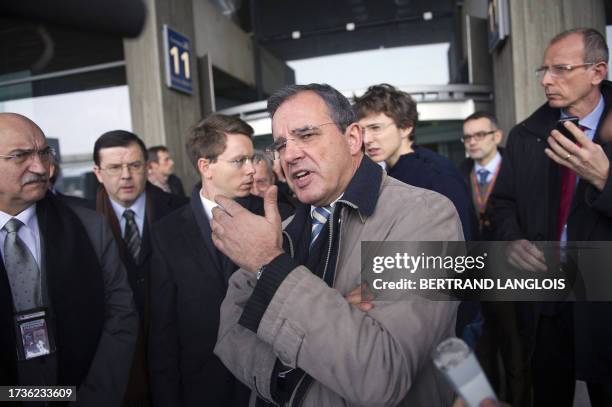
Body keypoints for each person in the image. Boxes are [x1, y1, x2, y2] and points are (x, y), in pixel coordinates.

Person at [212, 84, 462, 406]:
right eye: (281, 144)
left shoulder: (425, 216)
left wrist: (270, 267)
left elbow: (380, 372)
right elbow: (230, 334)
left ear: (353, 138)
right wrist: (331, 320)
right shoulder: (279, 231)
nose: (289, 155)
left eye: (307, 135)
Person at [491, 27, 611, 406]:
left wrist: (605, 179)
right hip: (545, 300)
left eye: (561, 69)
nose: (546, 80)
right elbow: (502, 203)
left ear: (597, 71)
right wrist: (511, 239)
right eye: (544, 69)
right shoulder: (526, 135)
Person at [0, 113, 138, 405]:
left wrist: (94, 397)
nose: (40, 168)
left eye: (44, 153)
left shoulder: (89, 225)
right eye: (21, 155)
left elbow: (121, 314)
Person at [149, 114, 267, 406]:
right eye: (239, 161)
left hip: (263, 386)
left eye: (252, 159)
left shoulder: (276, 218)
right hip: (200, 389)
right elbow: (162, 332)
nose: (252, 169)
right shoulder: (166, 234)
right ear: (206, 166)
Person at [93, 130, 187, 404]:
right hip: (114, 369)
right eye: (114, 167)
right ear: (98, 172)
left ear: (147, 167)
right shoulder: (81, 224)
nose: (126, 175)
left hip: (176, 360)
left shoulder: (181, 212)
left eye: (134, 166)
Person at [460, 112, 529, 406]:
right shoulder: (460, 173)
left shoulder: (519, 170)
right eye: (467, 137)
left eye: (479, 135)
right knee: (483, 349)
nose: (472, 142)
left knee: (515, 349)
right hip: (476, 275)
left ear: (497, 136)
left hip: (511, 274)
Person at [353, 83, 472, 240]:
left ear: (405, 127)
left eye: (376, 128)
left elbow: (462, 239)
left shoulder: (437, 173)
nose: (366, 139)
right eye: (362, 131)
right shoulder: (387, 172)